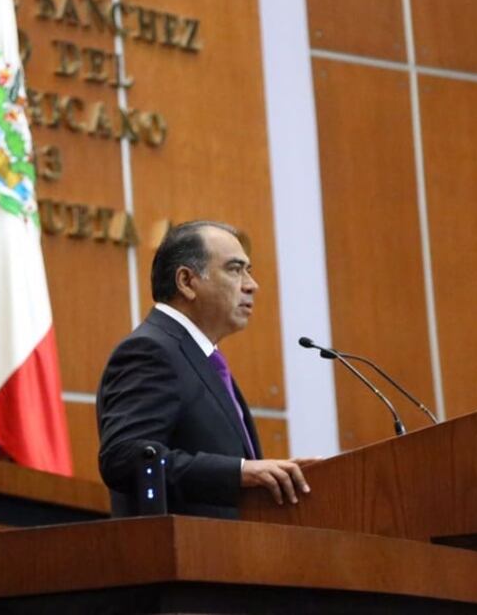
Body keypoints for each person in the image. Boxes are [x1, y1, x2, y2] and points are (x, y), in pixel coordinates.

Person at [97, 220, 314, 518]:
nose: (251, 284)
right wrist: (239, 473)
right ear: (187, 281)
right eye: (235, 269)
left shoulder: (199, 357)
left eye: (247, 270)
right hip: (178, 557)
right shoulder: (151, 351)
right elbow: (125, 459)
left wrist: (270, 474)